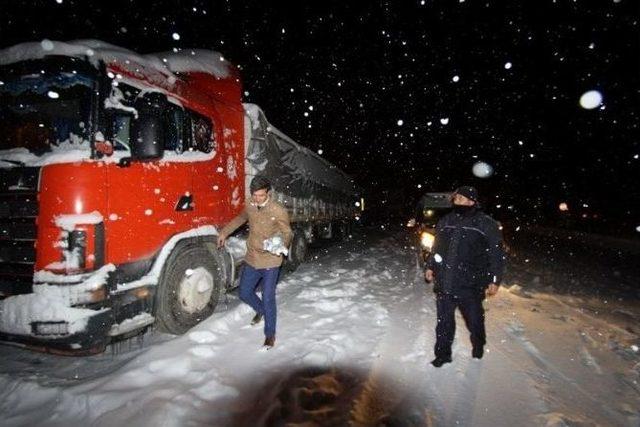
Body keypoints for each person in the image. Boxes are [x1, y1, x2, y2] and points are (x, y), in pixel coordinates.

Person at [424, 186, 505, 367]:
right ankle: (443, 354)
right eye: (455, 198)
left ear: (471, 201)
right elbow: (437, 247)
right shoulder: (446, 221)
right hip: (445, 281)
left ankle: (478, 344)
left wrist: (494, 279)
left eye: (460, 198)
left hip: (471, 283)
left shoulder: (485, 224)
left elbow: (496, 253)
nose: (456, 201)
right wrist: (431, 266)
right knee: (444, 323)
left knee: (475, 321)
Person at [217, 176, 293, 349]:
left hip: (271, 260)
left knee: (268, 297)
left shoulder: (278, 210)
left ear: (268, 192)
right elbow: (240, 218)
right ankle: (261, 310)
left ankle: (270, 334)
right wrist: (224, 233)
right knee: (244, 293)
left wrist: (281, 245)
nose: (257, 198)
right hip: (252, 257)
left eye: (260, 195)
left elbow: (287, 232)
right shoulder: (250, 204)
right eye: (254, 195)